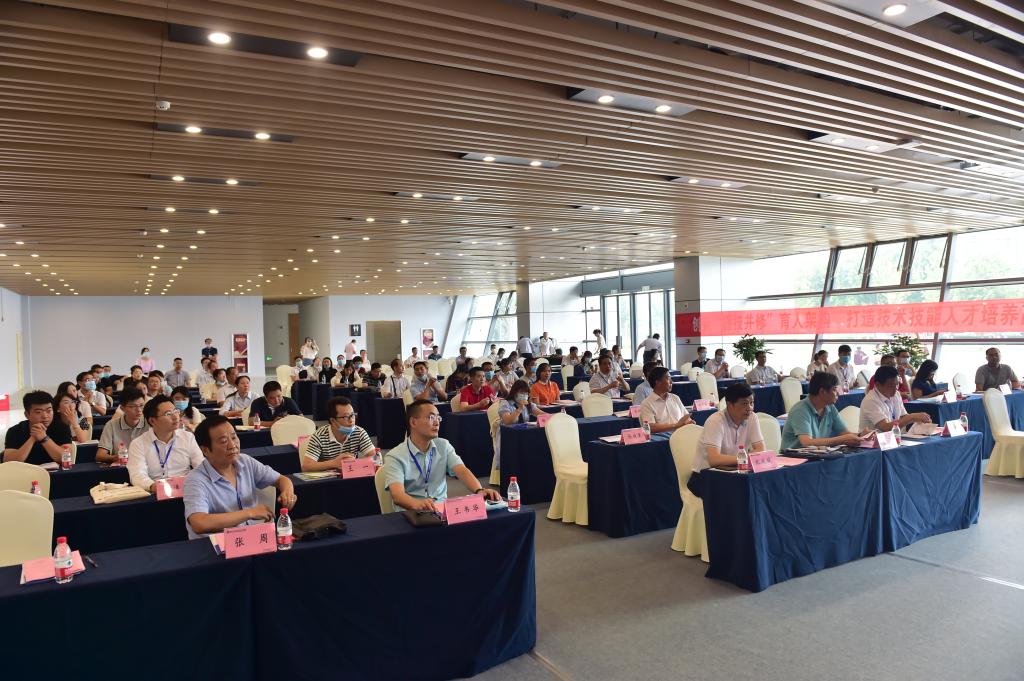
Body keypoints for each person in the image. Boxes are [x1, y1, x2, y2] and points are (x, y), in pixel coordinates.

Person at [183, 415, 297, 540]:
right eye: (223, 441)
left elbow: (281, 480)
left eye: (234, 437)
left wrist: (288, 492)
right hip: (216, 545)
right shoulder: (195, 480)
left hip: (251, 539)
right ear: (205, 450)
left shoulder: (245, 461)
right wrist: (250, 513)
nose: (232, 445)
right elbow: (199, 523)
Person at [383, 400, 501, 511]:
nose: (437, 422)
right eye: (431, 417)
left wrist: (479, 490)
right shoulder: (395, 456)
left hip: (441, 511)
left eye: (438, 418)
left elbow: (462, 470)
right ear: (413, 422)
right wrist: (417, 504)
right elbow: (397, 495)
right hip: (411, 513)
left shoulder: (443, 445)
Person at [689, 383, 766, 496]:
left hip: (734, 472)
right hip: (705, 476)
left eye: (751, 403)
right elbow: (714, 459)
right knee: (740, 495)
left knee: (760, 489)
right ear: (730, 404)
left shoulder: (752, 417)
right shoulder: (715, 421)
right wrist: (744, 458)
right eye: (744, 403)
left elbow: (761, 450)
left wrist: (743, 460)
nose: (749, 408)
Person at [127, 395, 206, 493]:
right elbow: (137, 475)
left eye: (176, 411)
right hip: (155, 494)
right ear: (152, 421)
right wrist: (155, 487)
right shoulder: (138, 444)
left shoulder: (187, 437)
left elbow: (201, 466)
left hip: (186, 491)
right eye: (168, 414)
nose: (175, 417)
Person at [780, 371, 863, 450]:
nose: (838, 393)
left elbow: (845, 434)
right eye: (834, 389)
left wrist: (861, 435)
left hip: (817, 454)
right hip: (793, 457)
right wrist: (841, 439)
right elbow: (807, 442)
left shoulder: (830, 407)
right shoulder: (800, 410)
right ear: (822, 392)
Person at [301, 397, 375, 471]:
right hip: (327, 476)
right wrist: (334, 463)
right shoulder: (320, 436)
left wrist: (353, 463)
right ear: (333, 420)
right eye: (346, 417)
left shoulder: (359, 432)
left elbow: (374, 456)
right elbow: (306, 466)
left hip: (350, 474)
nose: (351, 420)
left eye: (352, 415)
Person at [3, 391, 73, 465]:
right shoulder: (15, 431)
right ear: (27, 415)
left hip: (55, 472)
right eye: (38, 412)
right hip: (25, 472)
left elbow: (66, 458)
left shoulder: (61, 427)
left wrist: (44, 438)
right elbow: (9, 462)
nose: (45, 416)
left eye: (49, 411)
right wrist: (32, 438)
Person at [860, 366, 932, 433]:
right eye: (891, 385)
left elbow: (903, 416)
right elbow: (885, 427)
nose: (895, 389)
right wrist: (912, 417)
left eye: (897, 384)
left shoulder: (896, 394)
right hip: (873, 440)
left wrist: (918, 418)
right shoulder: (870, 400)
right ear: (878, 385)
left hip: (893, 438)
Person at [96, 387, 149, 463]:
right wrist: (115, 458)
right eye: (133, 406)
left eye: (141, 405)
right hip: (123, 466)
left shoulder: (150, 423)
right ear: (122, 408)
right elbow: (100, 456)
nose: (139, 410)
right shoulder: (111, 425)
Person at [637, 366, 693, 433]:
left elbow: (686, 417)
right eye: (668, 379)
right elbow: (649, 427)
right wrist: (675, 425)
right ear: (658, 382)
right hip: (662, 438)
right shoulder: (646, 404)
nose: (671, 382)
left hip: (680, 434)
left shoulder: (675, 398)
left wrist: (689, 422)